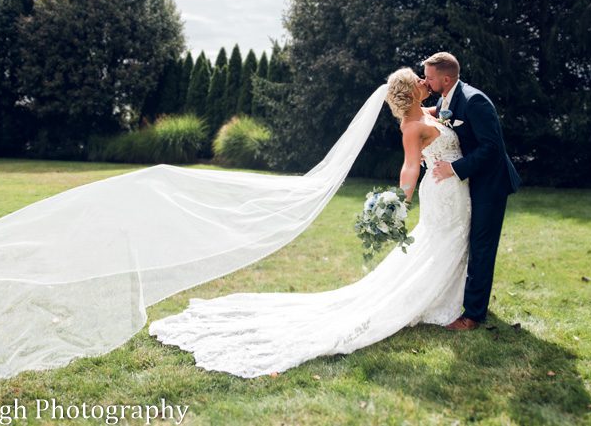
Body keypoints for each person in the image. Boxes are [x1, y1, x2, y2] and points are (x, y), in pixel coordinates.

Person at [147, 67, 472, 377]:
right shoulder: (411, 126)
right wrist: (400, 201)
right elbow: (410, 166)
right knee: (443, 241)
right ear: (409, 92)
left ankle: (449, 298)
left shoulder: (425, 112)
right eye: (417, 80)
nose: (423, 81)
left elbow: (445, 119)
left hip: (451, 188)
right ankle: (442, 302)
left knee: (442, 243)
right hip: (441, 192)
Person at [420, 52, 521, 331]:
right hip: (469, 183)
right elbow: (442, 123)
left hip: (490, 183)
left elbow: (492, 148)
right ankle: (465, 301)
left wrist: (454, 169)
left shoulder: (474, 101)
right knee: (468, 242)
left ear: (446, 79)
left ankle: (473, 316)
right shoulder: (445, 99)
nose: (426, 82)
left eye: (429, 78)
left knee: (481, 247)